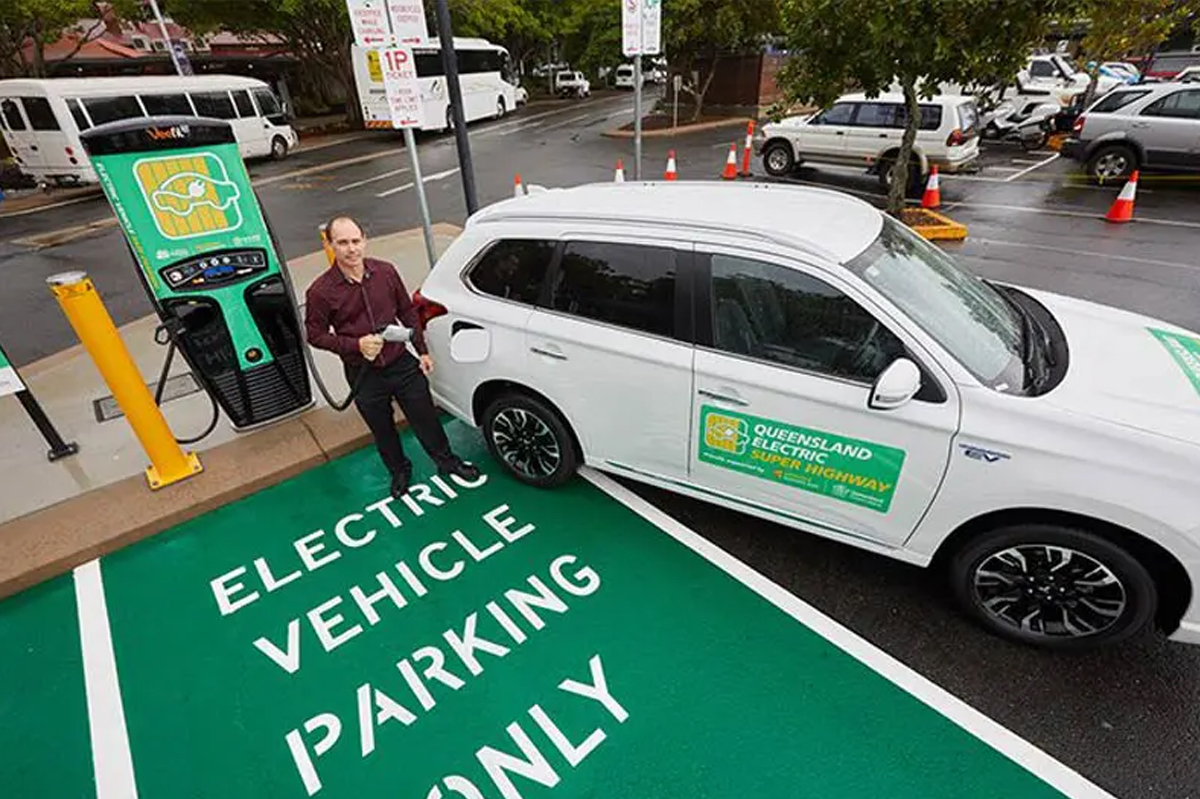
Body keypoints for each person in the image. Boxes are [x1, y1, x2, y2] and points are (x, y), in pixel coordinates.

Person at [304, 215, 480, 498]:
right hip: (364, 375)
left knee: (426, 418)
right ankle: (399, 471)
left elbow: (407, 312)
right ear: (331, 245)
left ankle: (447, 462)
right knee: (382, 429)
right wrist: (354, 345)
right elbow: (315, 334)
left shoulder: (386, 272)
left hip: (401, 362)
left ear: (365, 240)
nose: (351, 249)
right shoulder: (320, 292)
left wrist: (422, 350)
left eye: (356, 241)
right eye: (343, 243)